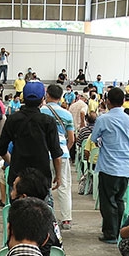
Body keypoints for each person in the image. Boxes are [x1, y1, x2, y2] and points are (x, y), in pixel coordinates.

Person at [92, 87, 129, 243]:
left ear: (108, 102)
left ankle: (110, 233)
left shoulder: (103, 119)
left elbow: (94, 139)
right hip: (125, 167)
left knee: (108, 201)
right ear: (123, 101)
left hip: (109, 166)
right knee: (119, 200)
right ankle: (120, 231)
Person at [0, 81, 61, 191]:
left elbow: (1, 149)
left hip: (17, 176)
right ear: (42, 99)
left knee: (18, 201)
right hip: (41, 178)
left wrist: (12, 162)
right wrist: (58, 176)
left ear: (23, 98)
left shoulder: (12, 119)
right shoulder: (48, 121)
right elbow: (56, 154)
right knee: (41, 202)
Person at [41, 84, 76, 228]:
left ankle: (45, 217)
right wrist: (64, 150)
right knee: (64, 185)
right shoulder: (67, 114)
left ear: (47, 95)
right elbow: (71, 139)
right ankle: (66, 219)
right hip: (62, 153)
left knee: (44, 186)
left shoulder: (41, 111)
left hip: (44, 153)